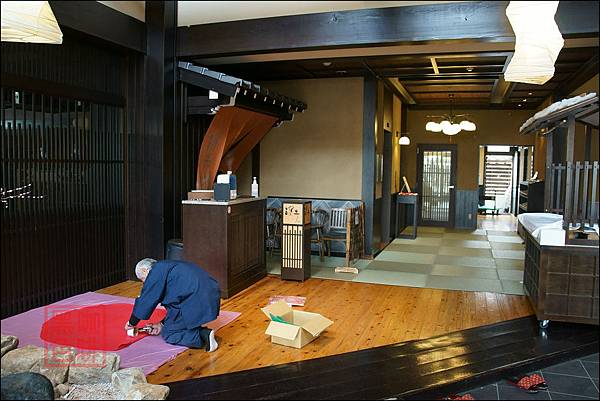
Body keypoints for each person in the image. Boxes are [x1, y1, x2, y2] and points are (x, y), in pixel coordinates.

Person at [125, 258, 221, 352]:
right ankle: (194, 329)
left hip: (196, 299)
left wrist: (131, 323)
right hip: (211, 293)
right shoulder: (170, 266)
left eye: (143, 279)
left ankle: (203, 335)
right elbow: (174, 307)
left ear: (145, 270)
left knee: (169, 333)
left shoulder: (155, 272)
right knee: (172, 322)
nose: (145, 283)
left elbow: (146, 301)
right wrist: (161, 324)